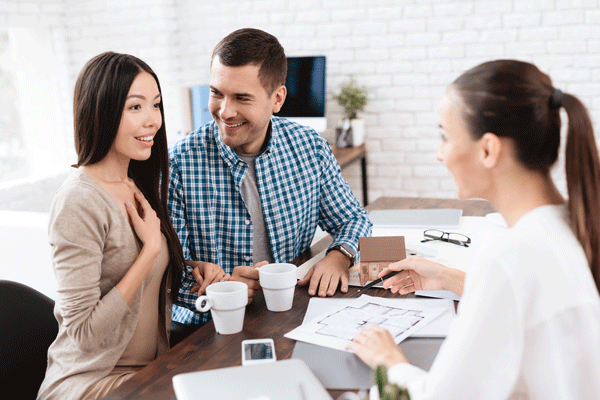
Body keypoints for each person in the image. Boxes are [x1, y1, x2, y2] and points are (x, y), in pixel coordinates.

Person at [346, 60, 600, 399]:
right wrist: (450, 279)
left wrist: (388, 361)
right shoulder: (572, 226)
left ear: (488, 150)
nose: (440, 155)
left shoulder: (509, 256)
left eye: (445, 137)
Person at [37, 52, 228, 400]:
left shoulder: (137, 184)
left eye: (155, 105)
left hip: (151, 368)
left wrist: (190, 269)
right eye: (135, 107)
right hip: (91, 380)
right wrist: (151, 252)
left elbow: (133, 274)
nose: (153, 120)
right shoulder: (79, 201)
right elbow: (83, 334)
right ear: (102, 111)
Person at [168, 28, 372, 336]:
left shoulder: (309, 146)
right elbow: (168, 272)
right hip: (207, 329)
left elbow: (353, 219)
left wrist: (339, 256)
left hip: (290, 313)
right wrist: (223, 289)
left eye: (241, 98)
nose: (225, 111)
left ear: (277, 98)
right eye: (217, 93)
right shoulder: (178, 165)